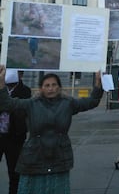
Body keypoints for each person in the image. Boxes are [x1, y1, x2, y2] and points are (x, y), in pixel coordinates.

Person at [0, 66, 103, 194]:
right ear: (41, 88)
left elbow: (91, 102)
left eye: (54, 85)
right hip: (34, 157)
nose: (51, 88)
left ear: (59, 87)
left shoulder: (68, 103)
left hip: (59, 157)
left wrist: (98, 85)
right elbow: (8, 104)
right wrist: (1, 83)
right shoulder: (31, 104)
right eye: (47, 85)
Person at [0, 70, 31, 194]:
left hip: (15, 137)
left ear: (21, 75)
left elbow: (21, 110)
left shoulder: (25, 91)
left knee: (15, 173)